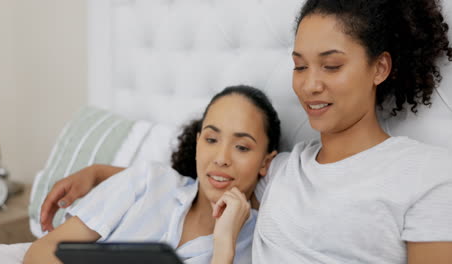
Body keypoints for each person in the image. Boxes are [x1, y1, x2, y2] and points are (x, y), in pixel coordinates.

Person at [42, 0, 452, 263]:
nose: (310, 85)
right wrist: (99, 172)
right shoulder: (282, 171)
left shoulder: (427, 175)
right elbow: (206, 179)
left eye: (331, 66)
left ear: (379, 68)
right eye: (299, 66)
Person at [24, 85, 280, 264]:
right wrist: (98, 172)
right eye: (212, 139)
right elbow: (42, 252)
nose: (221, 158)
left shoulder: (261, 245)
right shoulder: (149, 181)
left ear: (265, 162)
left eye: (242, 147)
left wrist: (224, 246)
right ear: (199, 142)